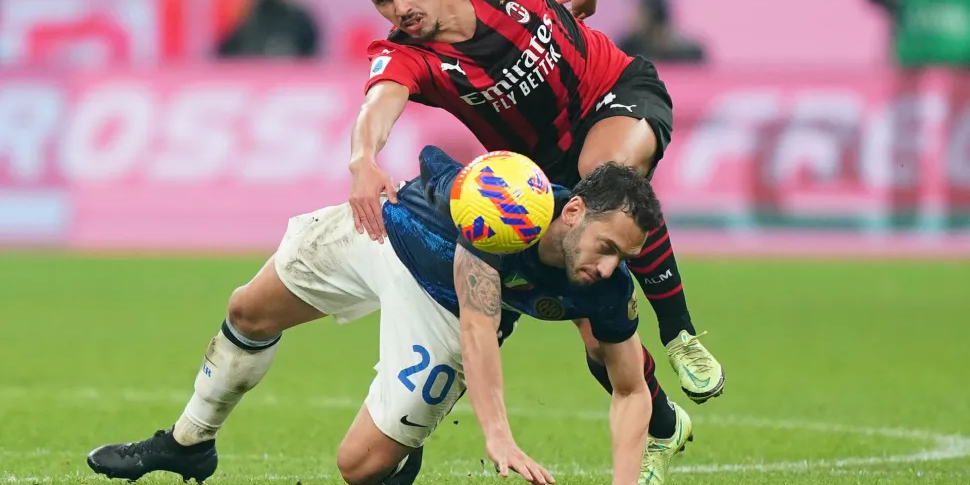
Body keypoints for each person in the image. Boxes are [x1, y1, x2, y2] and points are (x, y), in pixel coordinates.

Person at [84, 145, 693, 485]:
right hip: (386, 231)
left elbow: (629, 388)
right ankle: (189, 444)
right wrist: (498, 435)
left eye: (625, 257)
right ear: (573, 210)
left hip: (441, 309)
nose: (611, 267)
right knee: (247, 309)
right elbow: (483, 330)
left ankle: (401, 451)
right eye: (607, 247)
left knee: (358, 468)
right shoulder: (510, 210)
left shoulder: (605, 291)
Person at [348, 0, 723, 431]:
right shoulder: (411, 55)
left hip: (613, 92)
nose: (400, 7)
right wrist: (363, 158)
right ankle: (662, 425)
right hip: (544, 177)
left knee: (604, 176)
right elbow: (379, 103)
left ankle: (679, 332)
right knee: (598, 341)